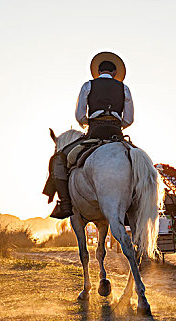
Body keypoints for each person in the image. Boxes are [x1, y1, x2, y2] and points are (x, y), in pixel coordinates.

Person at [44, 52, 134, 219]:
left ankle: (65, 203)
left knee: (58, 158)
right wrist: (116, 122)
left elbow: (79, 115)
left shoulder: (88, 86)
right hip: (116, 132)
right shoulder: (124, 88)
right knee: (139, 159)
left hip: (95, 130)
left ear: (98, 71)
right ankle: (136, 202)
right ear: (115, 73)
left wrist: (88, 121)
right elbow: (129, 119)